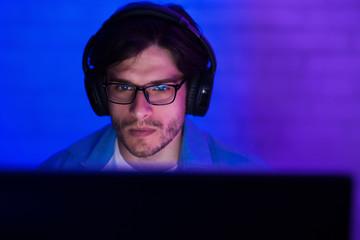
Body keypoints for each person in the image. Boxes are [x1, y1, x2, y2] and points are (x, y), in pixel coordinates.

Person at [40, 2, 268, 172]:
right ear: (100, 93)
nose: (139, 110)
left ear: (195, 92)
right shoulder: (55, 177)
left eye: (160, 89)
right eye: (123, 87)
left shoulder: (249, 182)